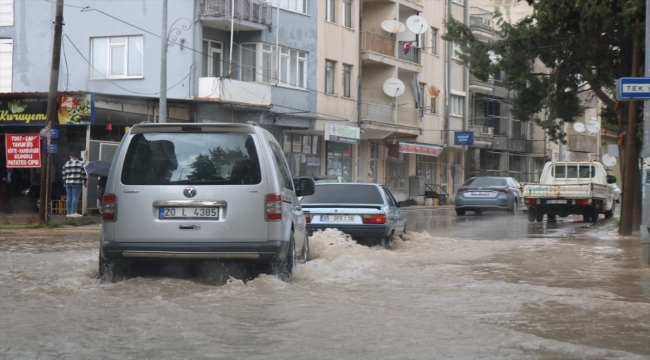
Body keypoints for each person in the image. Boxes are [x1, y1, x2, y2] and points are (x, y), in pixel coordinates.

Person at [62, 151, 87, 217]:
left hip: (68, 183)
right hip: (77, 182)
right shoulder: (81, 163)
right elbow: (84, 173)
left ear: (70, 156)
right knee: (75, 197)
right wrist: (85, 181)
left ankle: (68, 213)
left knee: (69, 197)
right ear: (77, 157)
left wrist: (64, 181)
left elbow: (64, 174)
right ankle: (73, 212)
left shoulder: (66, 163)